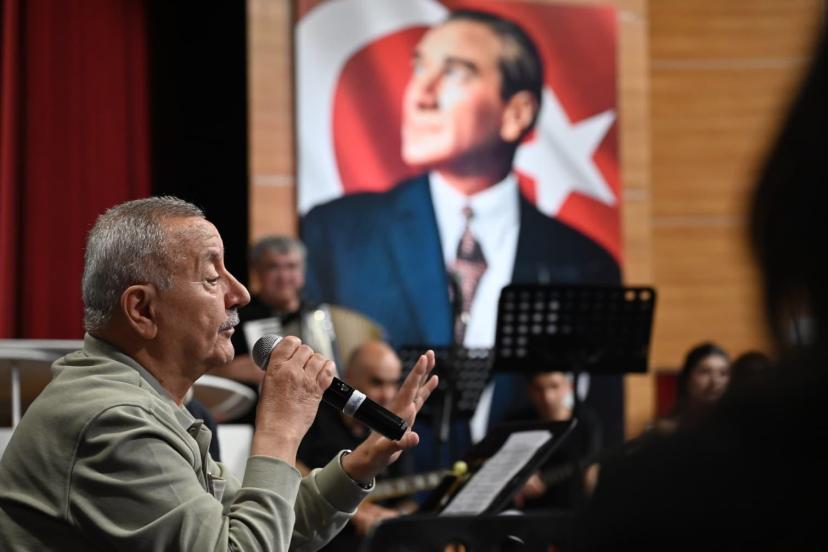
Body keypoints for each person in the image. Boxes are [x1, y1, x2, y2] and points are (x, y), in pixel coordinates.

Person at [0, 197, 438, 551]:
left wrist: (362, 461)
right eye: (212, 278)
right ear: (142, 309)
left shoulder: (154, 406)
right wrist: (280, 429)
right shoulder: (114, 422)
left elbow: (267, 528)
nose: (240, 293)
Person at [302, 8, 623, 455]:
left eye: (455, 72)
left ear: (517, 112)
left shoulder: (585, 263)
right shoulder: (338, 233)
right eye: (420, 68)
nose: (420, 94)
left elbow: (602, 430)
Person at [571, 26, 828, 551]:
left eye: (721, 373)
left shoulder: (663, 490)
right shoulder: (671, 479)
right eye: (705, 373)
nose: (714, 381)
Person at [210, 235, 383, 425]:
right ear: (257, 271)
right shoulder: (236, 318)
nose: (284, 277)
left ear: (302, 272)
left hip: (322, 422)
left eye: (291, 267)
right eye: (273, 267)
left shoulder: (321, 316)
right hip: (260, 420)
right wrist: (230, 370)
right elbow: (205, 371)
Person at [297, 340, 415, 550]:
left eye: (393, 384)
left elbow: (407, 501)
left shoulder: (392, 427)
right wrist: (353, 510)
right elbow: (290, 464)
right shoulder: (315, 413)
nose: (387, 395)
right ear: (349, 377)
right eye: (377, 382)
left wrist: (394, 518)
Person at [508, 371, 603, 511]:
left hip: (571, 512)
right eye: (539, 389)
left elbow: (591, 473)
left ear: (569, 386)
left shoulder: (586, 421)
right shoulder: (517, 422)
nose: (547, 397)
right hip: (526, 513)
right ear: (530, 391)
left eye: (554, 386)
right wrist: (518, 480)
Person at [652, 342, 731, 434]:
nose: (715, 381)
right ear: (687, 378)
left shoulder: (738, 429)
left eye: (723, 373)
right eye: (705, 372)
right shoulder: (665, 432)